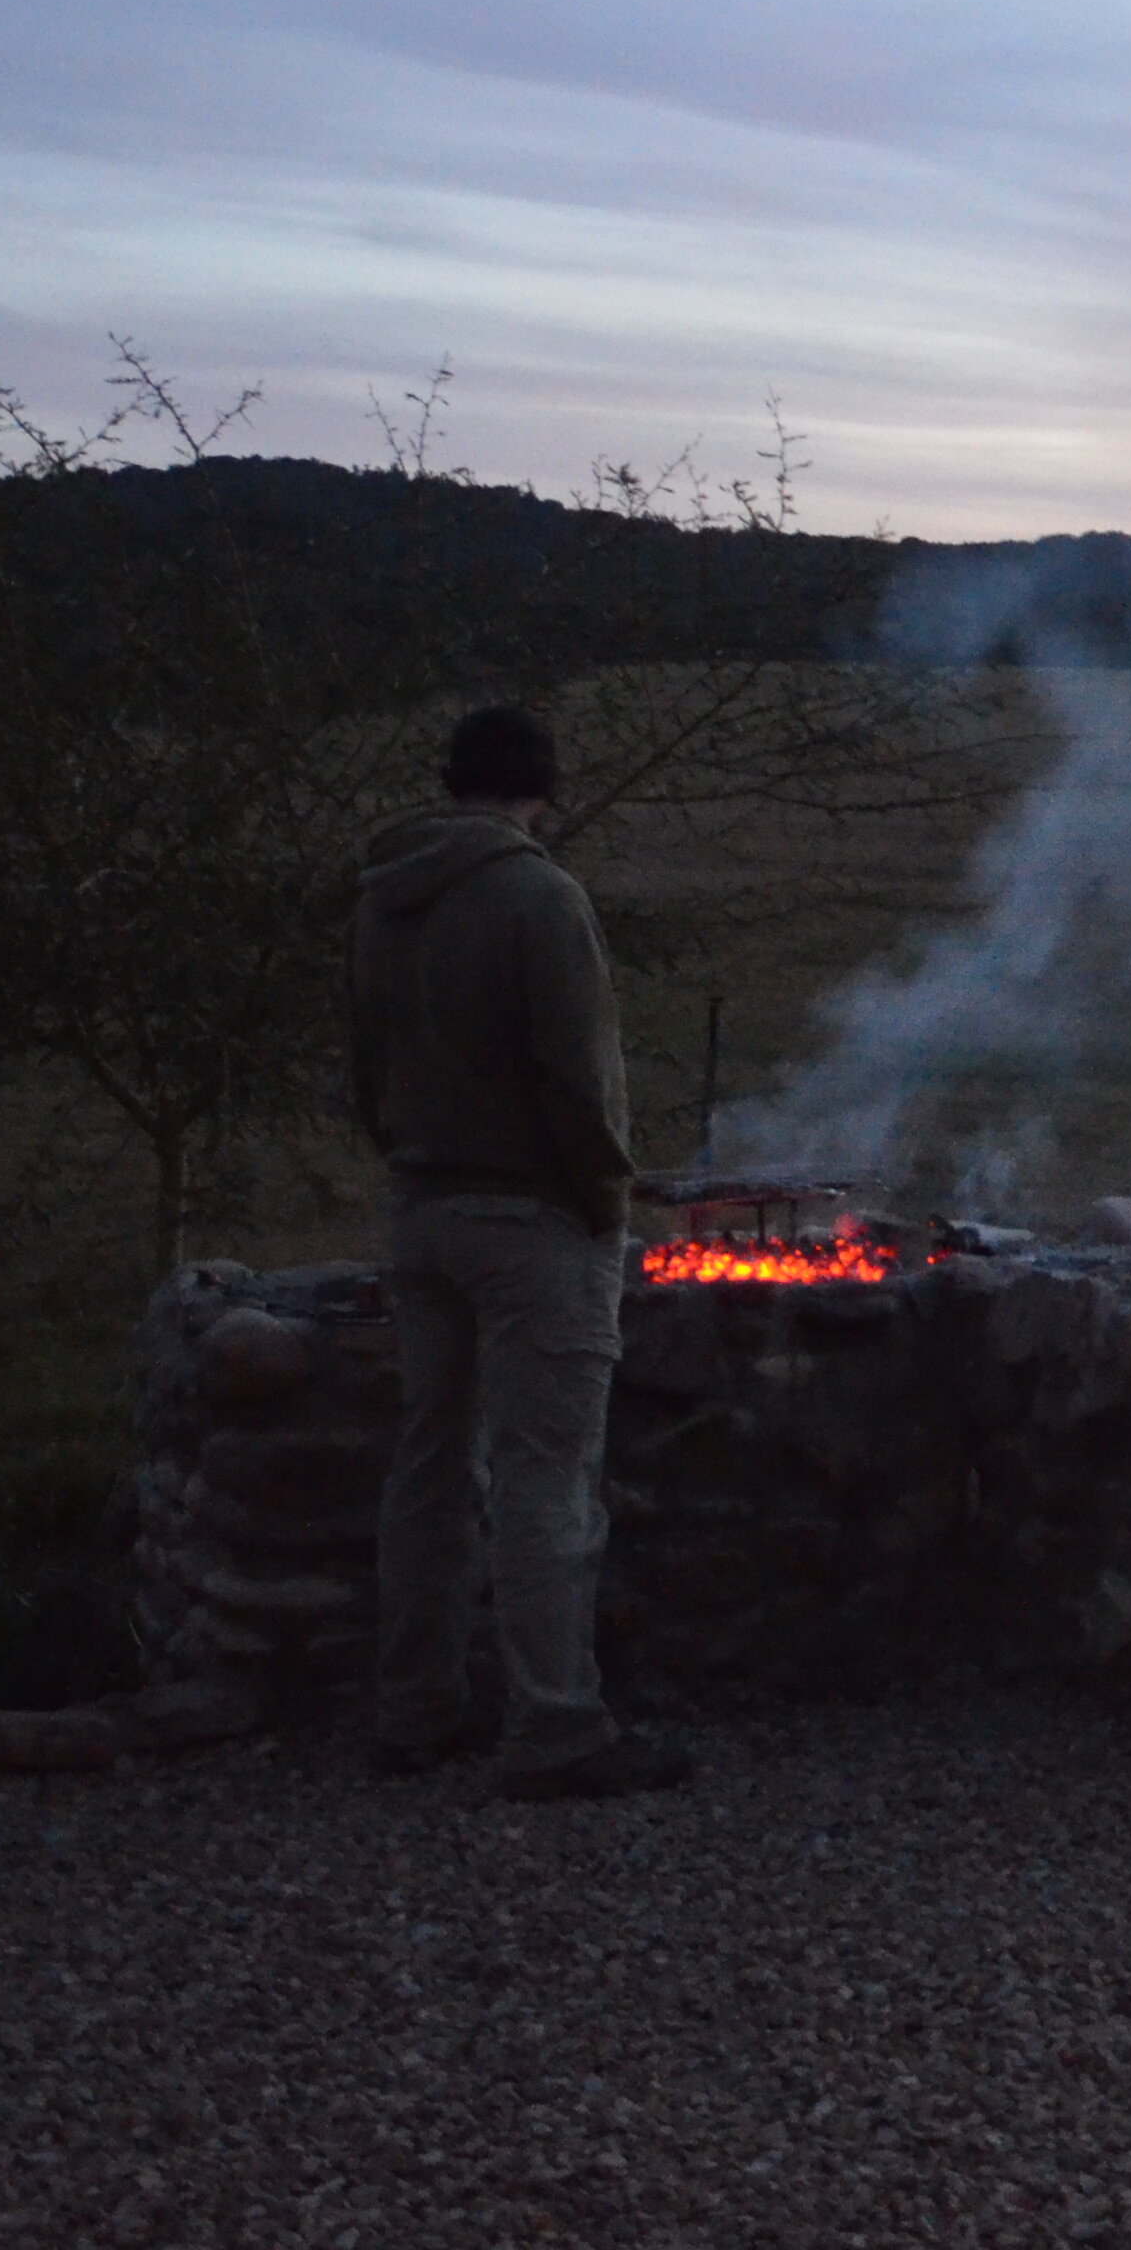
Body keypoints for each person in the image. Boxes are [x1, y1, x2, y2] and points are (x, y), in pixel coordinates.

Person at [350, 702, 691, 1799]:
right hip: (528, 1222)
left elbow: (364, 1065)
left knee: (429, 1468)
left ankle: (414, 1709)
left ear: (450, 781)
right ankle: (553, 1727)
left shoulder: (383, 897)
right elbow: (579, 1080)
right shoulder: (540, 896)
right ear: (544, 790)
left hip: (419, 1205)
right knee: (546, 1479)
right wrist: (606, 1200)